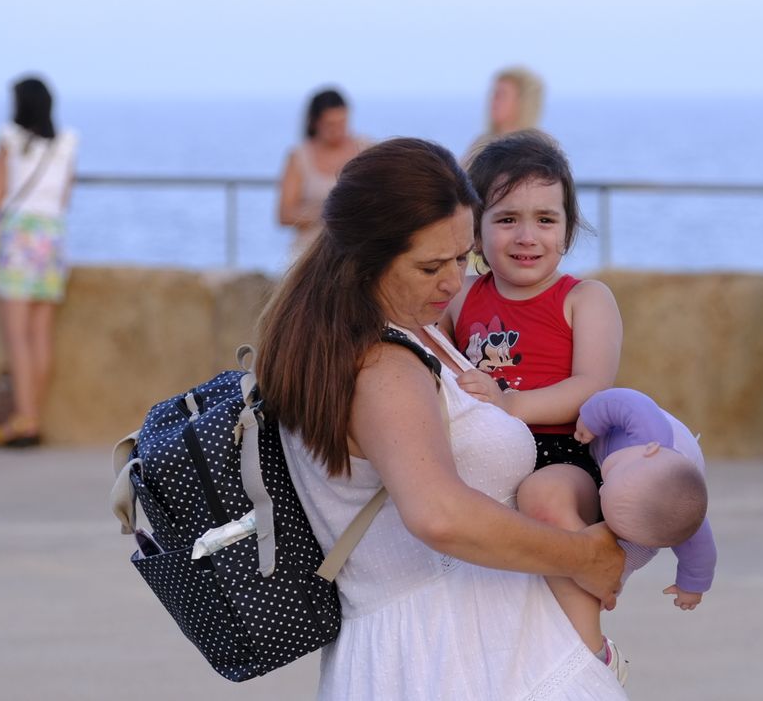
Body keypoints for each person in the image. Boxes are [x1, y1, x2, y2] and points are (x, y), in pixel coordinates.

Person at [262, 137, 628, 700]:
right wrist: (587, 557)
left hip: (463, 646)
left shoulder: (405, 326)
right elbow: (438, 515)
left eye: (461, 258)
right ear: (364, 258)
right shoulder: (381, 363)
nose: (455, 283)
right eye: (431, 265)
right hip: (449, 655)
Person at [443, 129, 626, 676]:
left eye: (545, 220)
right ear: (475, 230)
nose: (527, 236)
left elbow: (593, 385)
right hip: (484, 449)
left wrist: (512, 404)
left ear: (567, 230)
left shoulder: (583, 299)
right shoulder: (459, 298)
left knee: (542, 498)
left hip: (561, 454)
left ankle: (591, 655)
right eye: (506, 220)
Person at [570, 387, 716, 682]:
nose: (600, 487)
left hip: (668, 492)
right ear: (648, 452)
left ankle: (607, 583)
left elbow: (703, 551)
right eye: (606, 482)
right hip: (653, 449)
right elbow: (620, 400)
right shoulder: (647, 430)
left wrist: (693, 585)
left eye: (603, 490)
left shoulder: (685, 521)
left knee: (634, 548)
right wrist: (591, 418)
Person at [0, 75, 78, 448]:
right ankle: (33, 415)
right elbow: (65, 198)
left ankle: (24, 420)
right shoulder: (68, 143)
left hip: (20, 235)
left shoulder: (9, 138)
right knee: (40, 334)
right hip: (52, 238)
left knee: (17, 336)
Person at [276, 87, 370, 256]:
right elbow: (285, 215)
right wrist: (330, 212)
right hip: (309, 251)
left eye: (342, 123)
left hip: (355, 249)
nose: (337, 131)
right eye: (330, 125)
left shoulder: (365, 149)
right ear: (314, 122)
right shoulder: (299, 156)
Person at [464, 65, 546, 164]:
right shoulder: (480, 144)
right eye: (494, 93)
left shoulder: (539, 150)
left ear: (523, 102)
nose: (493, 100)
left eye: (502, 94)